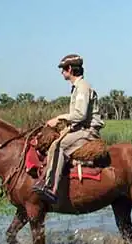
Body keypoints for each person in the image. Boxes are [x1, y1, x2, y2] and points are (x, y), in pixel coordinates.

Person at [32, 53, 105, 204]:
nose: (61, 72)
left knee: (58, 146)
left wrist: (58, 119)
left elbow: (80, 115)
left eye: (63, 69)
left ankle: (51, 188)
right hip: (80, 129)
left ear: (70, 69)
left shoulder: (82, 87)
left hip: (87, 131)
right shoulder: (77, 87)